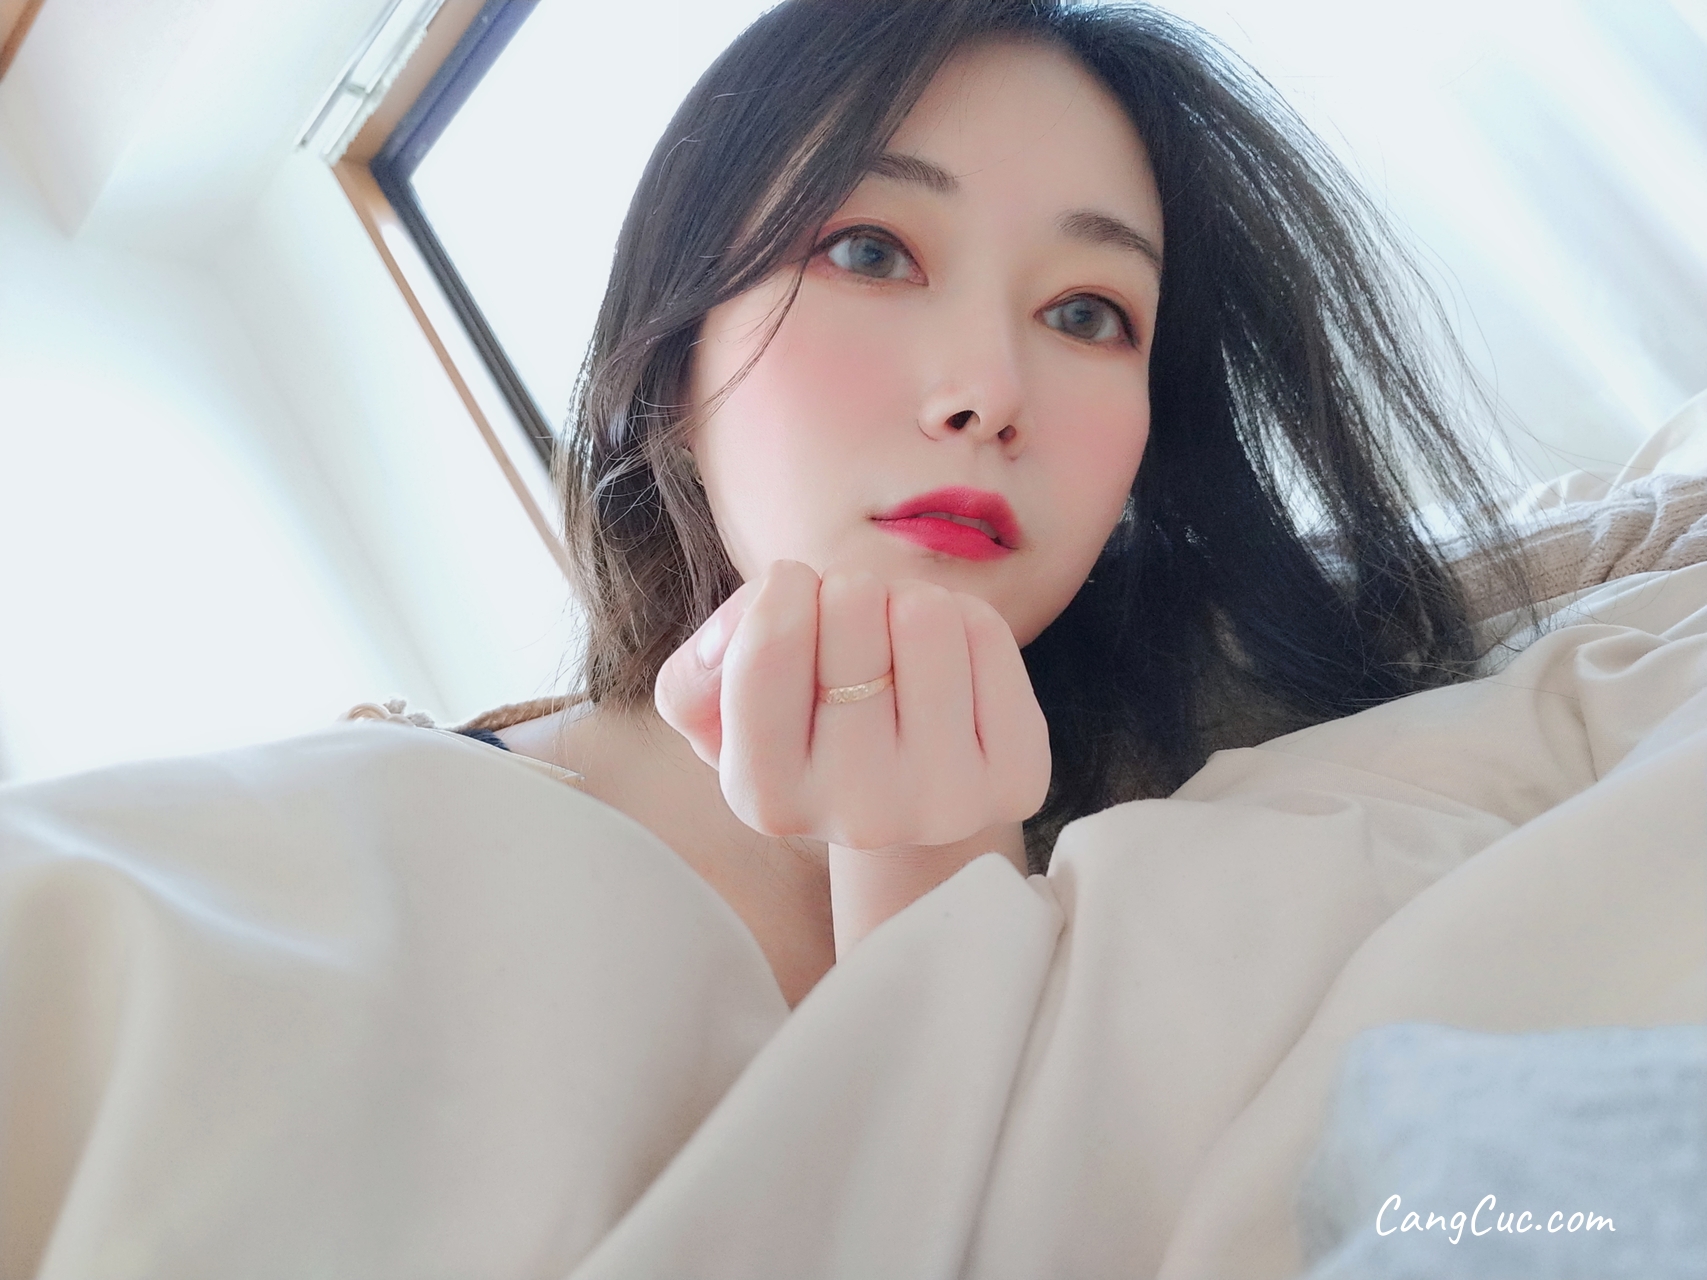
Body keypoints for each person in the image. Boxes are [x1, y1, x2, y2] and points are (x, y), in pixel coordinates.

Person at [474, 0, 1536, 1007]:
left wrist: (931, 872)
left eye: (1085, 314)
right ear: (675, 356)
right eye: (870, 253)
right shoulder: (402, 860)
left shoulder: (1257, 730)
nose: (988, 394)